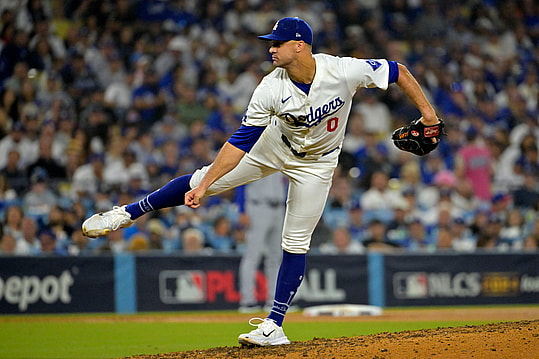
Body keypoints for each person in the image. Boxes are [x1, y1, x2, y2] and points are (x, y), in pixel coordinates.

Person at [82, 17, 440, 346]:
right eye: (271, 42)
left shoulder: (343, 70)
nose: (271, 48)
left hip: (317, 163)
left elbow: (397, 70)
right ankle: (125, 213)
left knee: (295, 241)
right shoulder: (270, 88)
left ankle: (274, 325)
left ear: (300, 45)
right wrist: (206, 187)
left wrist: (428, 115)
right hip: (273, 145)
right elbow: (239, 142)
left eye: (278, 42)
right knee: (201, 176)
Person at [238, 173, 287, 313]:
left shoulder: (282, 156)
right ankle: (247, 301)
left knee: (275, 257)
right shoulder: (254, 154)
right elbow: (240, 183)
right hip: (258, 206)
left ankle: (274, 301)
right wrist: (242, 210)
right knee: (252, 255)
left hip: (279, 208)